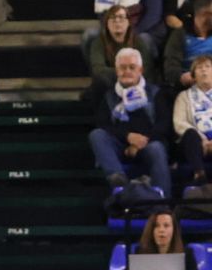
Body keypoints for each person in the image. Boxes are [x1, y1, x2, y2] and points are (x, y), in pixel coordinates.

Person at [89, 47, 171, 192]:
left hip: (148, 143)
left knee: (157, 148)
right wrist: (128, 137)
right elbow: (103, 124)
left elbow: (164, 123)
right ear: (116, 71)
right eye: (122, 67)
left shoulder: (154, 92)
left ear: (140, 70)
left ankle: (162, 199)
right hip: (120, 145)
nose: (127, 71)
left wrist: (140, 142)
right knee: (97, 135)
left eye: (132, 67)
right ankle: (118, 181)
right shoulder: (109, 96)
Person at [173, 54, 212, 186]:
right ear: (193, 76)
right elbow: (179, 123)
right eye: (199, 67)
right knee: (190, 134)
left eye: (208, 66)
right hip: (195, 142)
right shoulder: (183, 96)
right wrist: (202, 138)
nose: (204, 70)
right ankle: (200, 175)